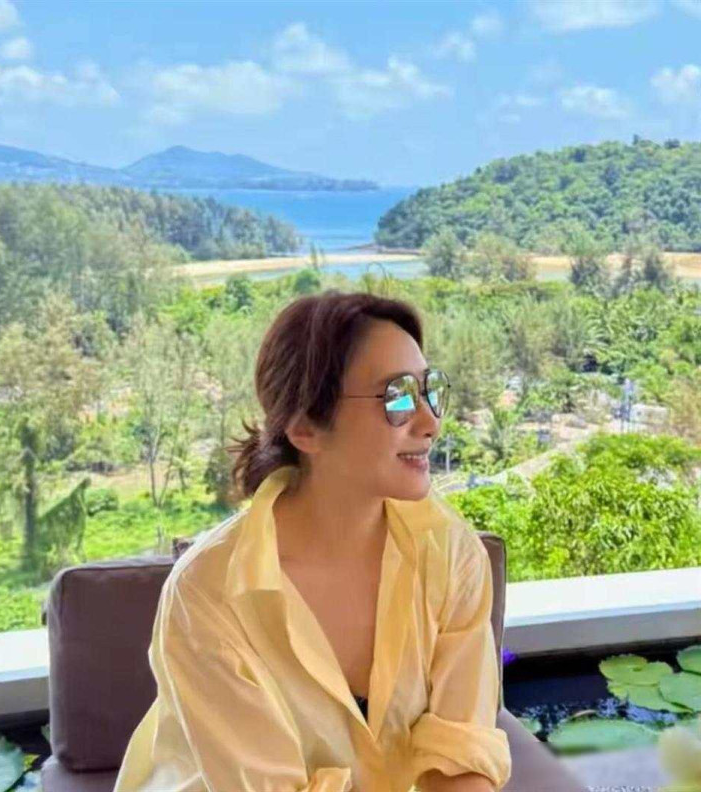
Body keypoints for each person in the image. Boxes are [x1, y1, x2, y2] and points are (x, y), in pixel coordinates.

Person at [113, 290, 511, 792]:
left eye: (429, 390)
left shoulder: (449, 552)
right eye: (397, 397)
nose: (431, 423)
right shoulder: (208, 595)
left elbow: (461, 751)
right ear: (305, 429)